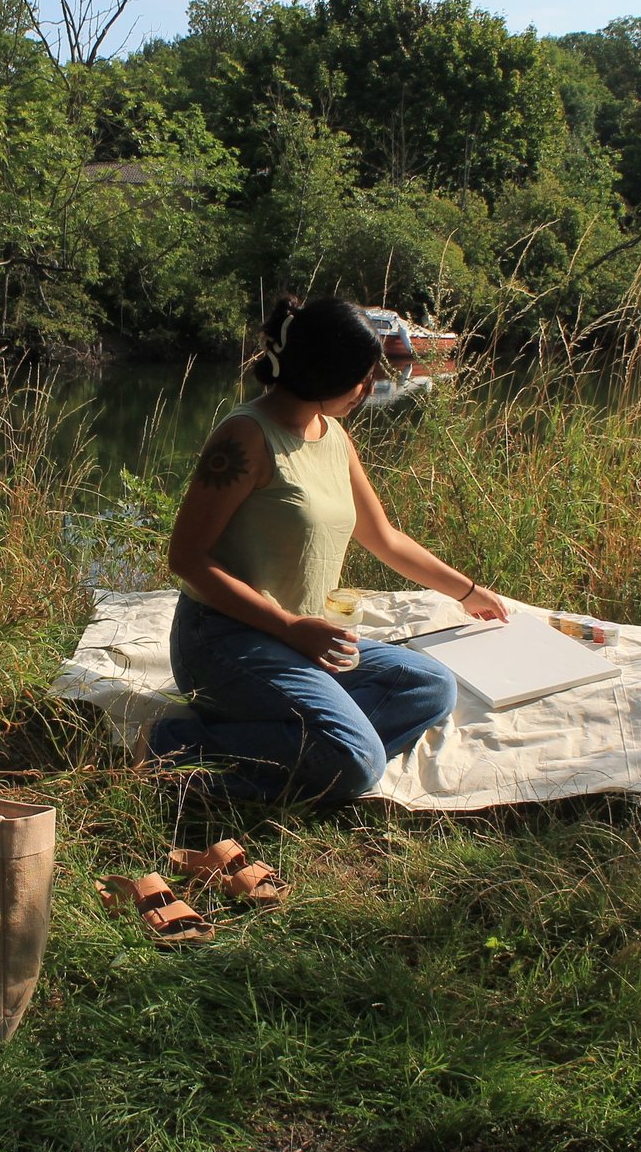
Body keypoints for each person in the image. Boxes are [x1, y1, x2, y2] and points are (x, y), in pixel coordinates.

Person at [151, 294, 509, 805]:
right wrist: (289, 627)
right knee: (357, 761)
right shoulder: (246, 436)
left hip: (301, 637)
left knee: (431, 686)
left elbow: (384, 538)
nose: (369, 387)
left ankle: (302, 741)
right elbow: (187, 558)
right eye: (363, 376)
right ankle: (172, 747)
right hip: (224, 640)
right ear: (326, 372)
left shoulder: (333, 436)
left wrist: (468, 592)